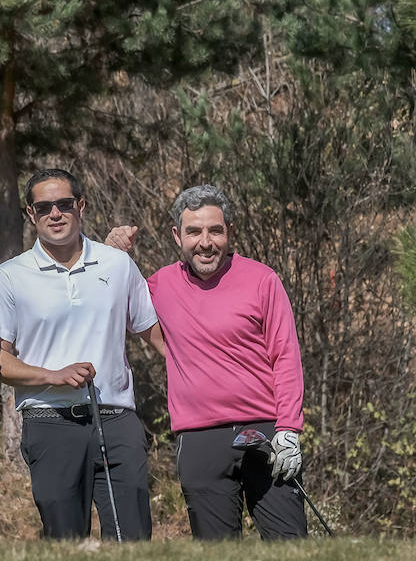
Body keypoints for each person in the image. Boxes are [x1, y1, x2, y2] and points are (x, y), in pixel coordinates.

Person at [110, 185, 308, 540]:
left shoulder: (263, 280)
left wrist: (289, 429)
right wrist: (112, 253)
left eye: (215, 230)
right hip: (199, 437)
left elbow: (286, 357)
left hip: (266, 432)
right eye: (194, 231)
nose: (205, 242)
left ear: (229, 232)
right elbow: (110, 298)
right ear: (177, 236)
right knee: (216, 559)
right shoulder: (159, 286)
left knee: (291, 547)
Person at [0, 168, 165, 540]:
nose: (55, 214)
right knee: (65, 541)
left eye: (64, 204)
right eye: (44, 207)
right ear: (30, 214)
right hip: (50, 422)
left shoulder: (117, 264)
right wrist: (51, 375)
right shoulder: (10, 276)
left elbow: (157, 336)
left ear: (81, 206)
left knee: (132, 538)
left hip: (117, 419)